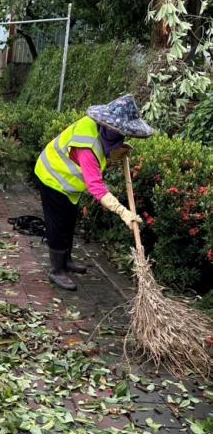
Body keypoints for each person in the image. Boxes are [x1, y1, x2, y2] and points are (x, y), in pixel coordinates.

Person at [34, 95, 154, 291]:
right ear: (110, 126)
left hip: (69, 183)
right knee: (58, 223)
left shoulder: (102, 129)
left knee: (70, 219)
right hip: (52, 177)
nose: (123, 135)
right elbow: (96, 186)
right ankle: (57, 270)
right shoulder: (87, 146)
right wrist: (122, 211)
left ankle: (67, 261)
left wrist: (117, 150)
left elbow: (104, 149)